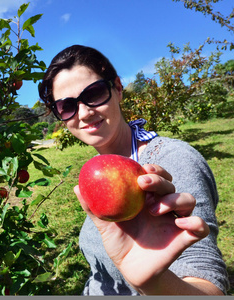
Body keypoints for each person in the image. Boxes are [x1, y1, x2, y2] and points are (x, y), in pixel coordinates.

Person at [38, 45, 230, 295]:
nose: (84, 113)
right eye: (67, 106)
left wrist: (153, 284)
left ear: (117, 89)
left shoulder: (170, 163)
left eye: (93, 93)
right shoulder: (100, 170)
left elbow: (207, 281)